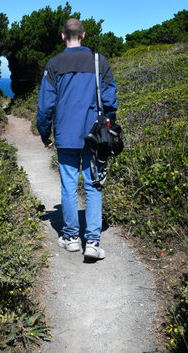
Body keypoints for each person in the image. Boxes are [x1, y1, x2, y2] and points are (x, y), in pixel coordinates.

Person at [36, 18, 117, 259]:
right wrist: (106, 124)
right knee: (93, 185)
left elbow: (45, 105)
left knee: (69, 185)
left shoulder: (54, 63)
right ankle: (92, 243)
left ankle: (71, 238)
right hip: (94, 135)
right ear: (83, 35)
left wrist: (44, 132)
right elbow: (111, 100)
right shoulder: (99, 61)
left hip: (65, 134)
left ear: (63, 36)